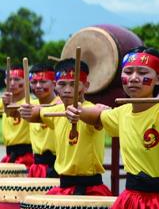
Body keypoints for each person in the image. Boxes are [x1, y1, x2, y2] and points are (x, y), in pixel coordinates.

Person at [68, 47, 159, 209]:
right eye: (128, 72)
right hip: (130, 199)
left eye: (142, 73)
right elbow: (96, 117)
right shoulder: (122, 112)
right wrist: (76, 111)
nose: (133, 78)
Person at [18, 59, 111, 196]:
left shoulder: (93, 110)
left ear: (86, 86)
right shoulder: (56, 111)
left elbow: (97, 118)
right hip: (63, 187)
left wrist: (86, 113)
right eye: (62, 84)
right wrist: (26, 111)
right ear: (55, 86)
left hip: (90, 189)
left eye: (74, 84)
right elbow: (36, 114)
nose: (67, 90)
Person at [0, 63, 34, 166]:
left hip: (28, 155)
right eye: (9, 80)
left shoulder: (31, 102)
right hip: (9, 153)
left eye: (17, 79)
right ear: (5, 81)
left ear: (26, 81)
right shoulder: (3, 102)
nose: (12, 83)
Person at [24, 63, 61, 177]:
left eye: (43, 82)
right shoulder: (29, 104)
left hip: (57, 166)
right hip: (37, 166)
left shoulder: (61, 104)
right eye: (34, 82)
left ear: (54, 84)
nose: (38, 86)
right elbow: (10, 111)